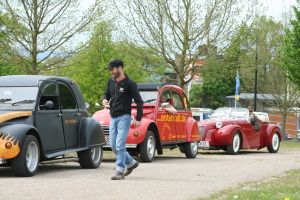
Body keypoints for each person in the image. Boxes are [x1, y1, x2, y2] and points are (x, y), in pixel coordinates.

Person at [102, 59, 143, 180]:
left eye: (112, 69)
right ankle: (131, 163)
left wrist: (139, 117)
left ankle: (120, 170)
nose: (110, 72)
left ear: (120, 68)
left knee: (120, 145)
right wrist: (104, 99)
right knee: (114, 146)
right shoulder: (111, 81)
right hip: (113, 117)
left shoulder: (130, 84)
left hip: (124, 117)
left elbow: (139, 101)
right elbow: (107, 94)